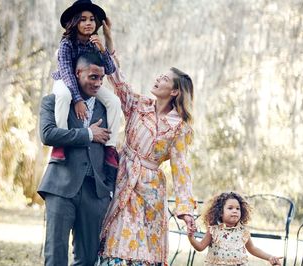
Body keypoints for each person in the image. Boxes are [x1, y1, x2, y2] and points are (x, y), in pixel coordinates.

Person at [98, 18, 197, 265]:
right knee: (117, 237)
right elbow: (117, 81)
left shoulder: (180, 128)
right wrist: (109, 40)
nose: (158, 79)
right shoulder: (138, 105)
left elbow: (181, 168)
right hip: (123, 177)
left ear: (174, 91)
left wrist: (185, 210)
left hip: (151, 190)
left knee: (143, 245)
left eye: (164, 79)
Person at [38, 51, 116, 266]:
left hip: (95, 192)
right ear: (77, 73)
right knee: (56, 255)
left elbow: (113, 146)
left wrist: (107, 188)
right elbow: (48, 134)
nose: (98, 83)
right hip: (61, 187)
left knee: (88, 259)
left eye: (101, 78)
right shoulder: (53, 101)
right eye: (93, 77)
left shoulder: (108, 109)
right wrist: (88, 134)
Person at [51, 0, 121, 176]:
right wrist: (78, 99)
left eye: (91, 19)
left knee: (114, 101)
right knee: (63, 97)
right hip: (66, 82)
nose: (88, 23)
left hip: (87, 84)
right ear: (75, 22)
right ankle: (60, 144)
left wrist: (102, 48)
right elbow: (67, 72)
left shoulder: (93, 43)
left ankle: (110, 148)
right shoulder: (66, 44)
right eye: (82, 19)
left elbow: (111, 69)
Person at [188, 192, 283, 266]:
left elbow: (252, 249)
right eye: (230, 208)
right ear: (220, 212)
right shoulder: (214, 230)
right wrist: (191, 237)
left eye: (238, 209)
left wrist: (270, 257)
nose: (235, 211)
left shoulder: (243, 231)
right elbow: (200, 247)